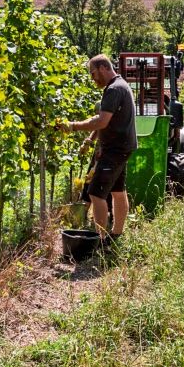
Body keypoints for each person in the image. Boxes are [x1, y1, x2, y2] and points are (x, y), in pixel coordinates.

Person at [59, 55, 137, 246]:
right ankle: (116, 235)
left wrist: (73, 126)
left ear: (103, 67)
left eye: (93, 74)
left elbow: (102, 121)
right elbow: (105, 121)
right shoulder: (120, 86)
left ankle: (100, 240)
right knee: (118, 191)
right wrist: (94, 140)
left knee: (96, 194)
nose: (93, 79)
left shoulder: (114, 89)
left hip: (115, 149)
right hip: (120, 147)